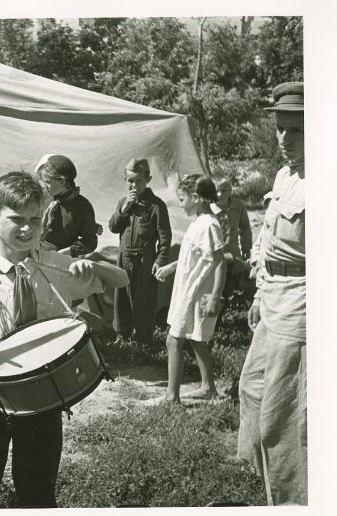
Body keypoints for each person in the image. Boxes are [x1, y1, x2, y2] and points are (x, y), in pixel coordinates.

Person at [0, 171, 128, 508]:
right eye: (17, 220)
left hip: (42, 392)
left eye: (35, 220)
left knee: (37, 486)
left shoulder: (58, 266)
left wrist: (91, 267)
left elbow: (121, 279)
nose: (27, 229)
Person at [237, 82, 306, 505]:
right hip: (275, 291)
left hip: (304, 298)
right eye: (280, 128)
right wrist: (261, 293)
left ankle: (297, 507)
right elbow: (265, 236)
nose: (284, 139)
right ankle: (268, 481)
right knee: (252, 389)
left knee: (285, 415)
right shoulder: (286, 174)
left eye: (295, 130)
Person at [155, 175, 225, 403]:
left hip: (195, 293)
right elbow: (195, 256)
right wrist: (171, 267)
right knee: (196, 339)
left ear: (196, 198)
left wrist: (216, 295)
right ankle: (208, 387)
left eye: (183, 199)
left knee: (173, 340)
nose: (181, 204)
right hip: (186, 290)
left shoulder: (208, 225)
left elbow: (219, 260)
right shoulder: (199, 222)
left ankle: (171, 397)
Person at [108, 157, 172, 344]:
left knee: (143, 299)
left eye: (139, 181)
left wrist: (160, 260)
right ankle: (122, 334)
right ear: (125, 180)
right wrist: (125, 209)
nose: (134, 185)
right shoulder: (123, 202)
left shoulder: (156, 206)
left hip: (145, 260)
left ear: (148, 180)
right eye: (130, 181)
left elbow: (165, 238)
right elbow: (113, 226)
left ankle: (143, 337)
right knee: (121, 297)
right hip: (124, 257)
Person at [35, 153, 98, 256]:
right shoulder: (46, 197)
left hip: (63, 259)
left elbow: (90, 241)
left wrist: (67, 252)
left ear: (62, 182)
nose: (45, 186)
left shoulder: (82, 206)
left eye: (48, 182)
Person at [212, 174, 253, 305]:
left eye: (223, 190)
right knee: (218, 282)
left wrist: (246, 247)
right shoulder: (208, 210)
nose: (219, 194)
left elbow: (245, 228)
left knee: (238, 277)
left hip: (233, 252)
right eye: (216, 191)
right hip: (216, 255)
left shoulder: (238, 206)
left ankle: (239, 304)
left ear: (230, 190)